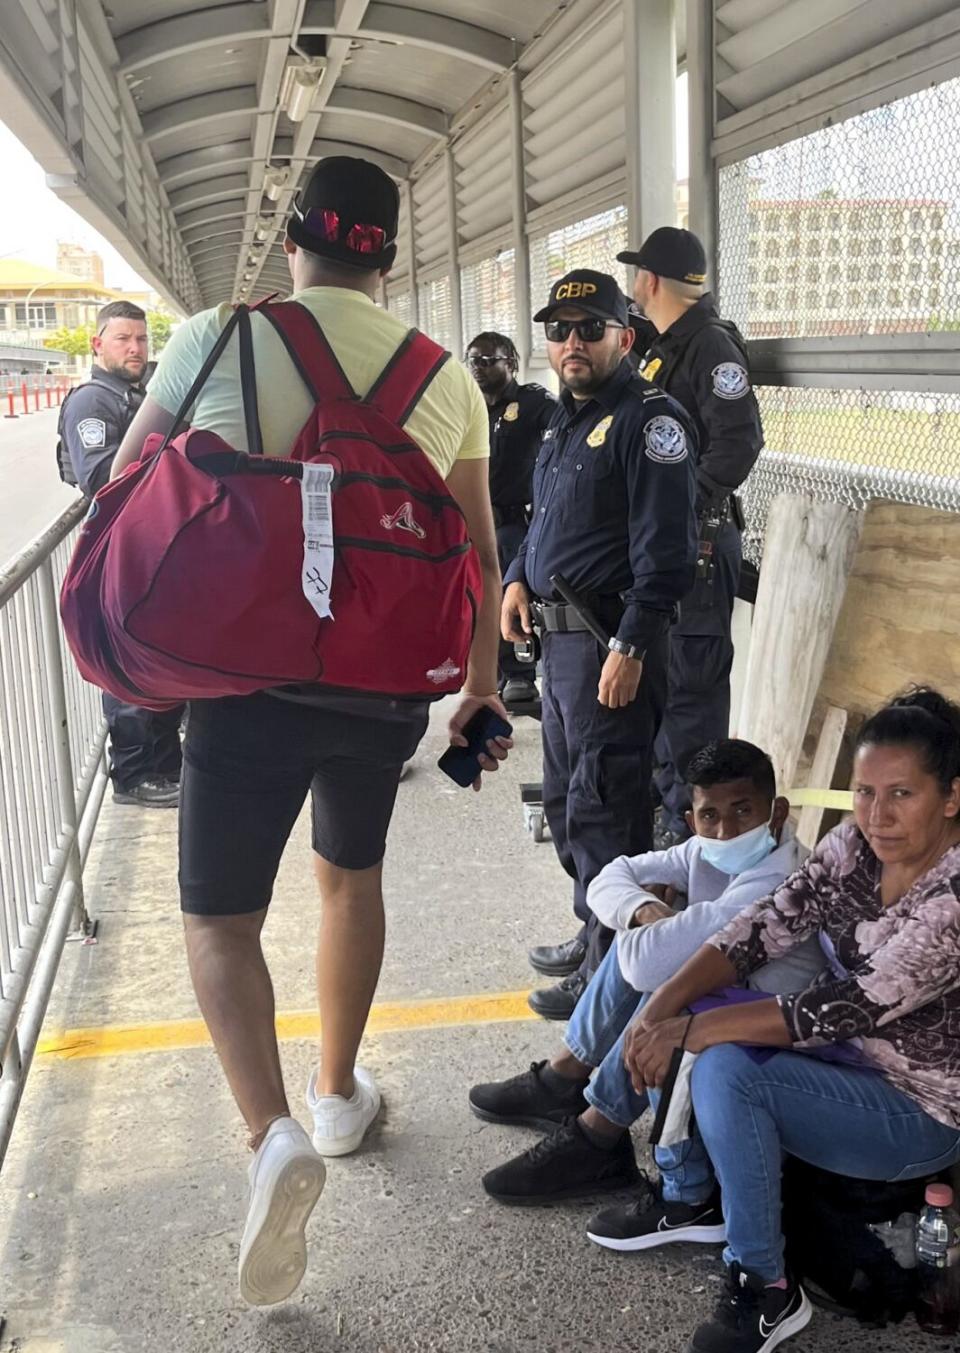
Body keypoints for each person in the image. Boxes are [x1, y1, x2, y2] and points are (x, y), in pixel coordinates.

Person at [111, 157, 509, 1307]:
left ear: (294, 243)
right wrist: (477, 688)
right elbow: (477, 553)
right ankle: (337, 1095)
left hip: (244, 681)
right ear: (387, 254)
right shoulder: (446, 377)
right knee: (350, 877)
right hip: (383, 685)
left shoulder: (214, 340)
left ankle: (268, 1131)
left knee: (220, 918)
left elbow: (131, 481)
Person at [623, 687, 960, 1353]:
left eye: (902, 793)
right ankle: (699, 1201)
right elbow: (763, 925)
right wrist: (659, 1009)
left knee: (724, 1065)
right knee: (694, 1019)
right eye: (864, 791)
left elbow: (844, 1007)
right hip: (844, 1062)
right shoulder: (855, 845)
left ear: (951, 797)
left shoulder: (951, 897)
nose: (877, 814)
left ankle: (766, 1287)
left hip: (917, 1110)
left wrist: (686, 1029)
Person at [470, 739, 822, 1219]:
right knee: (647, 932)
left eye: (744, 811)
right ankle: (563, 1079)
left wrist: (649, 924)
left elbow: (644, 965)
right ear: (692, 820)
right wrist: (641, 908)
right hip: (734, 1002)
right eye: (710, 816)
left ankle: (597, 1135)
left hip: (774, 1026)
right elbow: (610, 877)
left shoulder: (774, 880)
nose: (726, 830)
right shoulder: (705, 849)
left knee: (665, 974)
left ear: (776, 813)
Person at [502, 269, 698, 1019]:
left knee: (606, 807)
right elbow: (547, 516)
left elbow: (668, 553)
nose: (571, 342)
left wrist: (633, 645)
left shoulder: (651, 422)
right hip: (560, 649)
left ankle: (611, 984)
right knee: (565, 799)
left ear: (625, 334)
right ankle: (595, 932)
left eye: (589, 328)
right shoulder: (564, 417)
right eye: (558, 329)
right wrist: (520, 574)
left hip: (605, 644)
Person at [617, 228, 763, 848]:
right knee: (663, 709)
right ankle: (668, 859)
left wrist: (672, 509)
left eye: (634, 275)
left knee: (690, 713)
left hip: (697, 551)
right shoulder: (665, 348)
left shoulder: (709, 345)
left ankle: (700, 873)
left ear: (648, 280)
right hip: (672, 550)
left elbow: (739, 441)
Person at [57, 300, 182, 809]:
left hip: (144, 548)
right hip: (117, 553)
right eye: (123, 339)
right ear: (98, 344)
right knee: (128, 663)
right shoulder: (93, 402)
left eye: (142, 340)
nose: (135, 348)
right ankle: (134, 775)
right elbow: (100, 478)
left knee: (153, 654)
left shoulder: (134, 395)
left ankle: (162, 763)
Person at [465, 331, 555, 706]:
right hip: (476, 521)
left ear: (512, 363)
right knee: (483, 598)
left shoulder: (535, 403)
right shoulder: (468, 407)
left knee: (513, 593)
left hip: (516, 522)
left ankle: (521, 673)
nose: (480, 368)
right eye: (474, 361)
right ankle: (497, 673)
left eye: (489, 360)